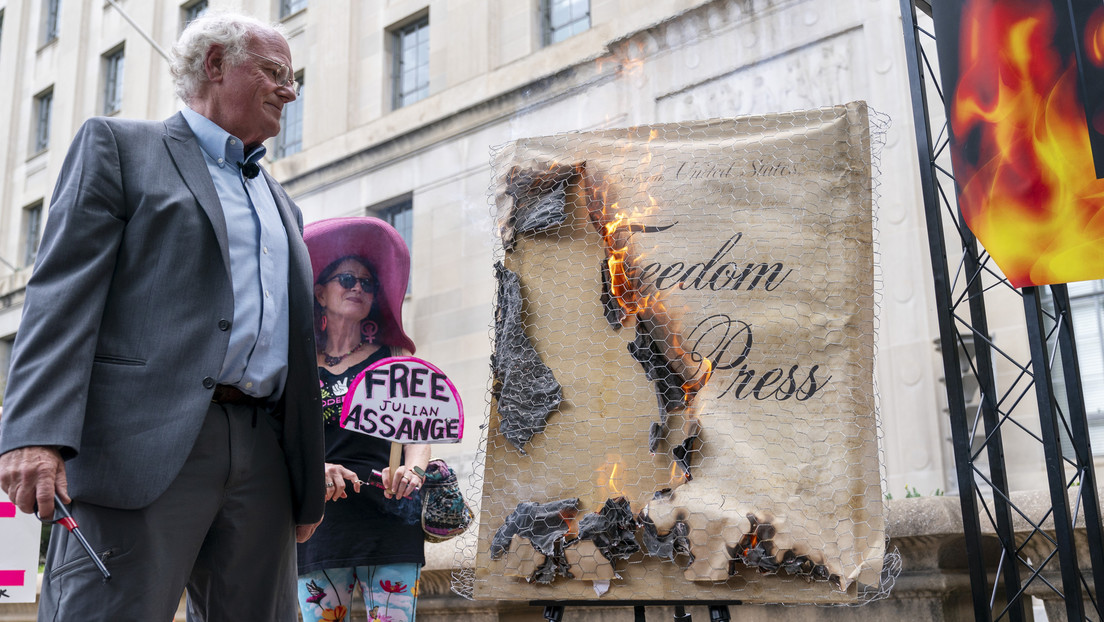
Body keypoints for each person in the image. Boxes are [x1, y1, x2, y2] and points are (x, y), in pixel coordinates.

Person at [0, 12, 325, 621]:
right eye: (276, 72)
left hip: (263, 454)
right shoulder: (120, 148)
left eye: (293, 78)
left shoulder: (284, 203)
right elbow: (62, 295)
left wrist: (304, 479)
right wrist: (34, 432)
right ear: (215, 65)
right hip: (139, 444)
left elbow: (296, 342)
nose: (290, 90)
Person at [297, 217, 431, 622]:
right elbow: (278, 438)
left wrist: (415, 471)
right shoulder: (297, 364)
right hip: (321, 522)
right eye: (346, 279)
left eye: (368, 283)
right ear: (320, 292)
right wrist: (312, 470)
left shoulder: (394, 359)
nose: (358, 287)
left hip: (390, 517)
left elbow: (418, 429)